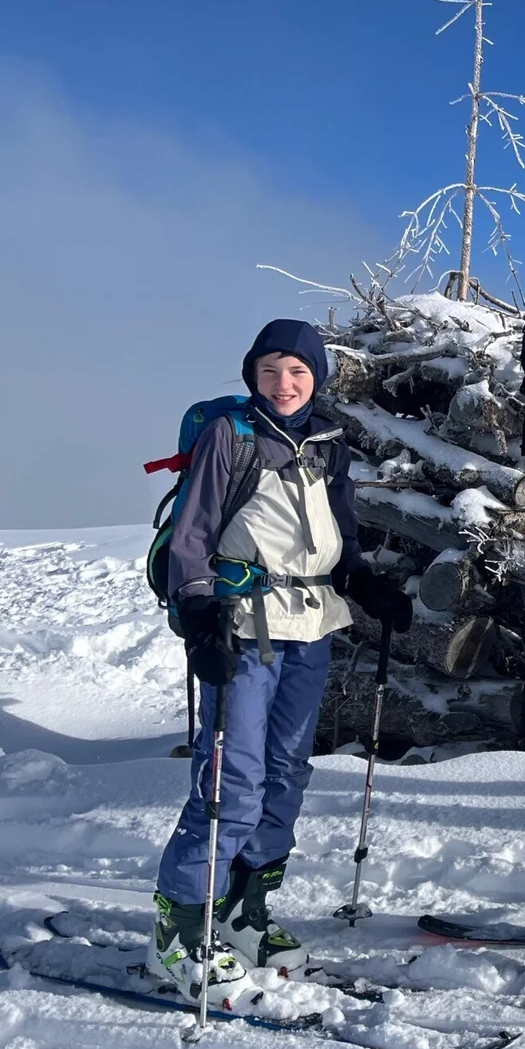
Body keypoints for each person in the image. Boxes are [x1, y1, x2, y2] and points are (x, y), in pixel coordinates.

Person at [150, 319, 411, 1002]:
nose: (285, 383)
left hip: (312, 621)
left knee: (288, 770)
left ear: (317, 377)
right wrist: (200, 614)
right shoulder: (230, 437)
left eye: (298, 371)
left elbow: (341, 532)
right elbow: (194, 532)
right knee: (231, 773)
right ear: (252, 376)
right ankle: (180, 927)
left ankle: (244, 912)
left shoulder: (327, 441)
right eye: (271, 370)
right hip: (242, 623)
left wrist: (362, 580)